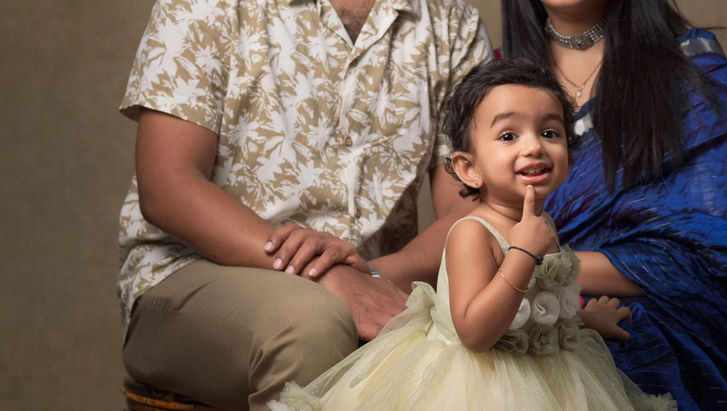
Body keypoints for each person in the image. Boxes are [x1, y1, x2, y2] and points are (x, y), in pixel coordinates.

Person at [116, 0, 491, 409]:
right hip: (190, 273)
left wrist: (370, 275)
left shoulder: (453, 22)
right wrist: (326, 276)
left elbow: (471, 207)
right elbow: (168, 187)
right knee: (312, 325)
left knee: (491, 332)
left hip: (382, 280)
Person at [501, 1, 727, 410]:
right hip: (529, 301)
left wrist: (533, 263)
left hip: (664, 327)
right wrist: (408, 267)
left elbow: (721, 254)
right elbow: (472, 222)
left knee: (629, 348)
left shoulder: (693, 70)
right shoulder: (496, 78)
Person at [268, 58, 675, 411]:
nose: (534, 146)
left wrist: (582, 318)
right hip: (479, 378)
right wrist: (520, 254)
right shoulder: (471, 233)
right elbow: (474, 331)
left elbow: (538, 299)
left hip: (549, 370)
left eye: (549, 133)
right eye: (508, 136)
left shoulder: (540, 223)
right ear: (468, 168)